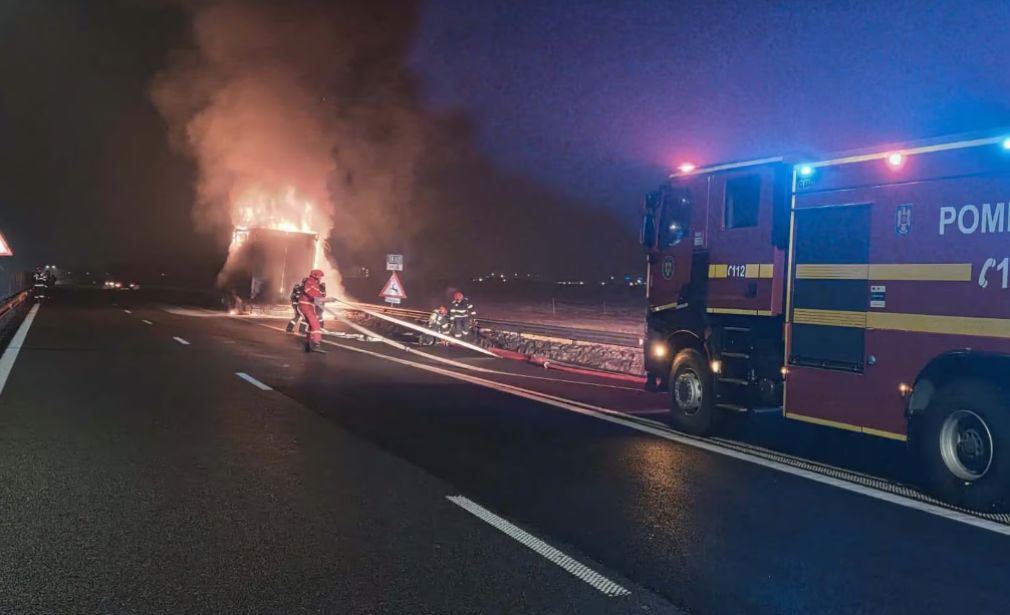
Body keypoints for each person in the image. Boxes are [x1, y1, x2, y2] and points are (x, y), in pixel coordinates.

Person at [298, 269, 327, 352]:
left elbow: (318, 294)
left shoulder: (315, 284)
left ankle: (308, 343)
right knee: (316, 324)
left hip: (309, 305)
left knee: (311, 325)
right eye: (320, 276)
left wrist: (325, 299)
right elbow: (308, 291)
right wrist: (319, 298)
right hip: (305, 305)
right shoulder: (310, 281)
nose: (321, 278)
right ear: (316, 276)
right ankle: (316, 343)